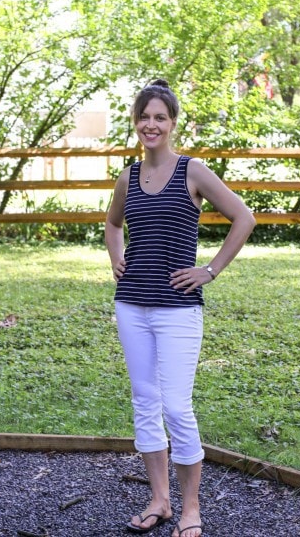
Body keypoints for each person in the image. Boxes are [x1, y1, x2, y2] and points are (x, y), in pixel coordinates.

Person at [105, 79, 256, 537]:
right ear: (136, 122)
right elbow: (112, 225)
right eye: (144, 117)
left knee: (176, 405)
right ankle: (160, 500)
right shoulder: (127, 177)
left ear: (172, 123)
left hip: (178, 309)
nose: (151, 125)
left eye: (160, 117)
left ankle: (191, 508)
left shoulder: (193, 171)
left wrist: (208, 270)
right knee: (145, 403)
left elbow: (244, 217)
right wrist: (116, 254)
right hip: (132, 306)